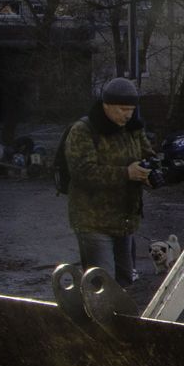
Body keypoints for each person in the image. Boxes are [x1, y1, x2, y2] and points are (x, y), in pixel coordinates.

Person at [64, 77, 154, 286]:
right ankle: (97, 318)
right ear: (106, 106)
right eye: (123, 109)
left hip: (125, 220)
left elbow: (148, 154)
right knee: (103, 285)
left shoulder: (133, 128)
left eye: (131, 109)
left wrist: (149, 171)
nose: (128, 114)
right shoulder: (83, 130)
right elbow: (82, 172)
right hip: (93, 221)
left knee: (125, 282)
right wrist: (126, 173)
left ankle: (120, 319)